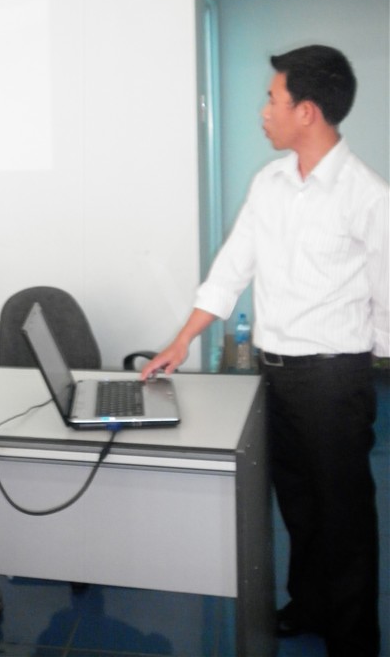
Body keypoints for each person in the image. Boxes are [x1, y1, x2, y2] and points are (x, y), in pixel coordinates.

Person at [141, 45, 389, 657]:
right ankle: (310, 606)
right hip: (272, 374)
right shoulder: (269, 184)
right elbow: (231, 269)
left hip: (333, 380)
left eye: (273, 99)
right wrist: (182, 340)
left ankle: (354, 641)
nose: (263, 111)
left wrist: (367, 374)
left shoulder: (368, 195)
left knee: (344, 519)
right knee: (298, 506)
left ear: (307, 111)